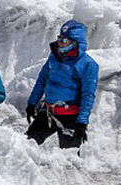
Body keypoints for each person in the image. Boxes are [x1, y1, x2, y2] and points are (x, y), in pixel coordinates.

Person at [25, 20, 99, 149]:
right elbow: (42, 80)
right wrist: (32, 103)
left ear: (75, 42)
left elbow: (88, 95)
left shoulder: (88, 64)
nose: (60, 43)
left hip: (70, 117)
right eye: (59, 39)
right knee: (25, 146)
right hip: (48, 111)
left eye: (64, 41)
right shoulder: (54, 57)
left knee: (68, 158)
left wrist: (82, 123)